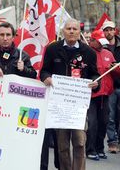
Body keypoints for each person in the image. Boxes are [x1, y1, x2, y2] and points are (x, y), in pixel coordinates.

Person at [40, 18, 99, 170]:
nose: (72, 31)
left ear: (79, 32)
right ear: (63, 31)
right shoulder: (53, 49)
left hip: (79, 105)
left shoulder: (89, 52)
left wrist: (94, 83)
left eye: (74, 29)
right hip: (59, 104)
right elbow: (44, 70)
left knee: (79, 143)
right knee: (63, 145)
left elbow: (94, 74)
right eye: (68, 29)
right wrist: (46, 77)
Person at [86, 29, 120, 160]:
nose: (101, 44)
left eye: (102, 42)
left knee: (104, 122)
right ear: (92, 41)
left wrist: (116, 68)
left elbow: (115, 73)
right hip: (91, 95)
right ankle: (90, 149)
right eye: (99, 42)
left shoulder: (108, 53)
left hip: (105, 94)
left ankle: (99, 148)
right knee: (93, 123)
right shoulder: (87, 53)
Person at [102, 20, 120, 153]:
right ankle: (112, 142)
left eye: (111, 29)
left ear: (115, 30)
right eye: (106, 30)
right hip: (110, 87)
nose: (109, 32)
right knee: (111, 116)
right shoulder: (101, 47)